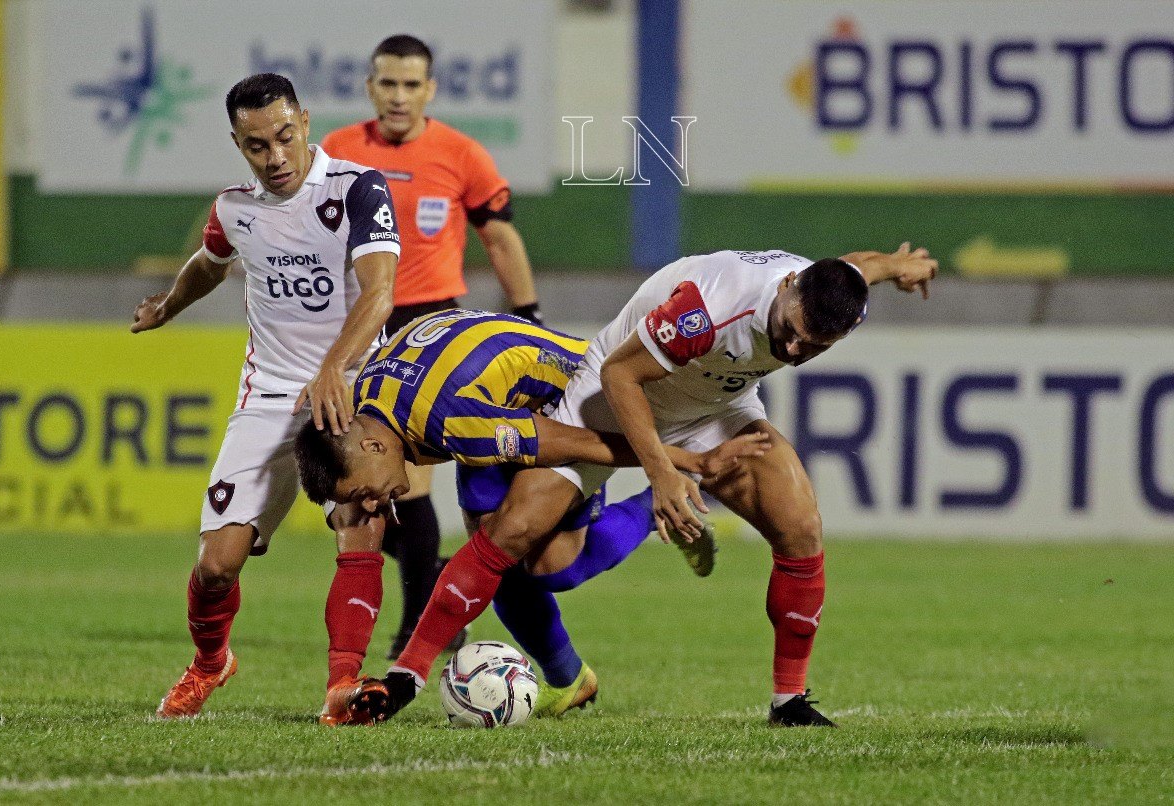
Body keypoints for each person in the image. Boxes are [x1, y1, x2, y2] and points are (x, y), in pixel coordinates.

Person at [343, 244, 938, 727]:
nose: (792, 349)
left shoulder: (827, 296)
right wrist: (661, 471)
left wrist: (895, 267)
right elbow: (620, 373)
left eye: (812, 347)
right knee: (525, 543)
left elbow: (858, 267)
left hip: (716, 406)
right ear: (786, 290)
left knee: (802, 529)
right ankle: (406, 677)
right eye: (790, 333)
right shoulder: (707, 308)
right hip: (609, 402)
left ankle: (789, 701)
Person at [292, 308, 769, 724]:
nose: (374, 503)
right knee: (489, 558)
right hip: (492, 404)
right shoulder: (357, 414)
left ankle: (653, 507)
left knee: (544, 562)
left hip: (574, 400)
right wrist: (343, 683)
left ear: (374, 446)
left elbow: (572, 441)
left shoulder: (452, 421)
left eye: (365, 491)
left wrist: (676, 463)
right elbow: (358, 544)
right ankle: (569, 680)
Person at [133, 72, 402, 719]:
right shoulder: (235, 209)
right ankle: (209, 664)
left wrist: (335, 366)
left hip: (352, 391)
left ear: (305, 122)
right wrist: (170, 305)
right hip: (269, 399)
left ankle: (342, 686)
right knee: (216, 566)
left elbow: (379, 292)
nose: (276, 156)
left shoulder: (357, 188)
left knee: (360, 522)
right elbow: (209, 260)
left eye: (285, 137)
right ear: (238, 143)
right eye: (257, 146)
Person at [322, 34, 543, 658]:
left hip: (427, 329)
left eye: (410, 84)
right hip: (360, 326)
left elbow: (499, 237)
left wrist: (527, 314)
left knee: (409, 484)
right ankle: (435, 574)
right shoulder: (337, 152)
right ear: (370, 87)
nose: (398, 96)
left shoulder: (460, 154)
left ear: (430, 89)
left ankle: (417, 624)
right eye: (387, 84)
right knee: (357, 486)